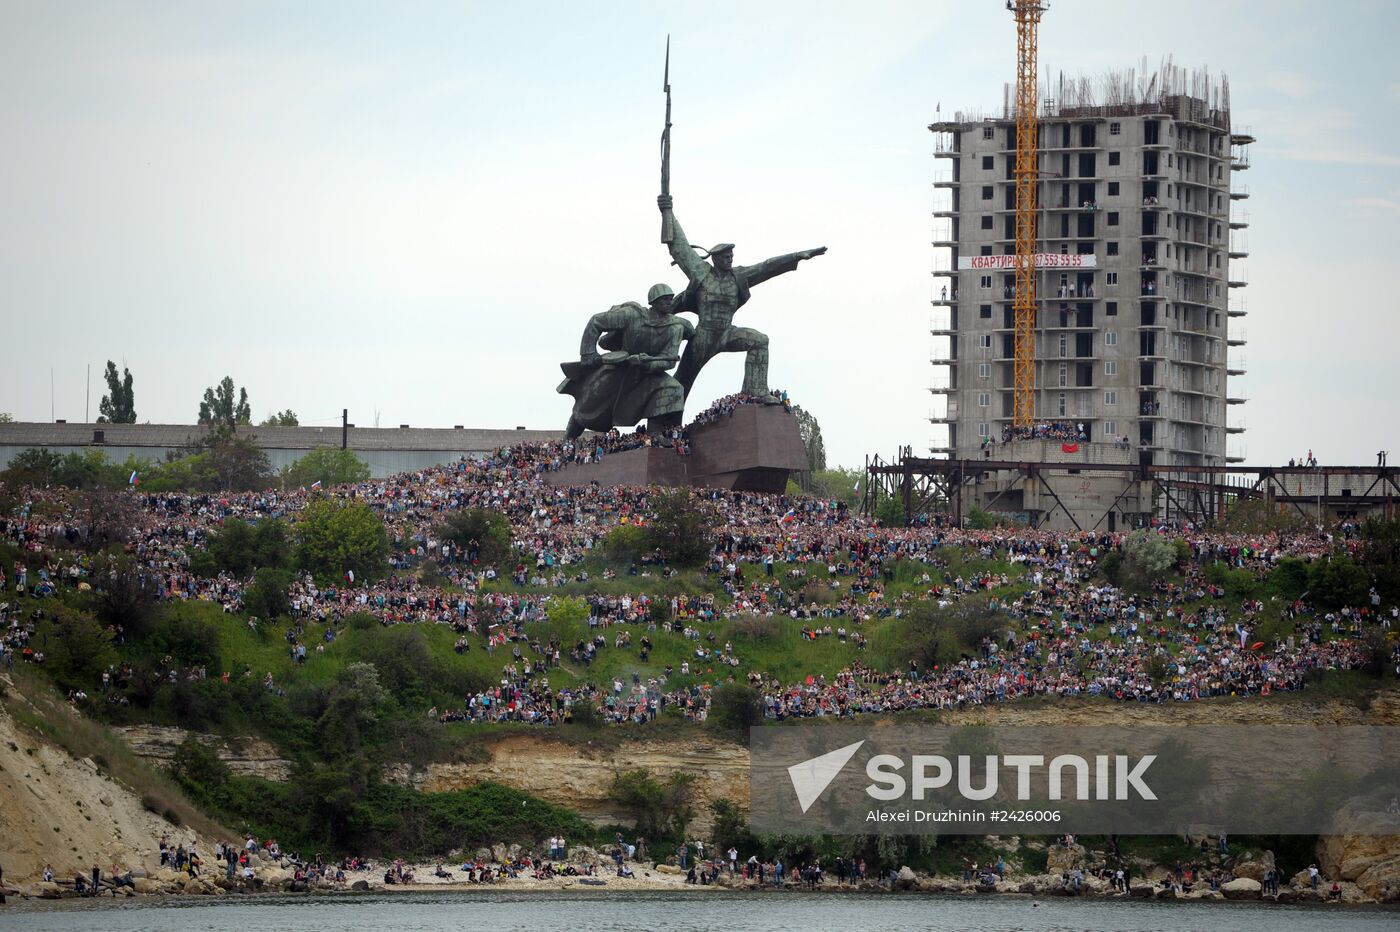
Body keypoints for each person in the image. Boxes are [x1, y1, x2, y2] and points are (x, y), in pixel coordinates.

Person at [658, 193, 826, 400]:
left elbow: (766, 267)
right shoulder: (701, 272)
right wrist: (668, 211)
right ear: (716, 258)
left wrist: (797, 256)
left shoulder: (738, 276)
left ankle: (755, 390)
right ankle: (665, 421)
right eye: (726, 257)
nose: (730, 260)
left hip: (727, 332)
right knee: (683, 380)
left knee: (759, 341)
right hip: (703, 336)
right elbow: (680, 247)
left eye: (731, 257)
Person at [558, 284, 694, 439]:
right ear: (653, 301)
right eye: (664, 299)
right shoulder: (632, 315)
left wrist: (646, 363)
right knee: (590, 403)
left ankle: (654, 431)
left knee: (673, 388)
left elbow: (669, 360)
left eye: (670, 299)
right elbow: (596, 322)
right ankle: (569, 438)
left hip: (648, 373)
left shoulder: (675, 327)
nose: (669, 302)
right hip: (620, 367)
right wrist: (588, 354)